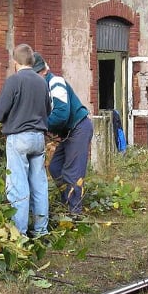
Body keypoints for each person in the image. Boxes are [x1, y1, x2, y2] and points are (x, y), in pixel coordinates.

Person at [0, 44, 52, 237]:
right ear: (32, 62)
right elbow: (48, 109)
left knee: (18, 186)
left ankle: (20, 233)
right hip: (38, 138)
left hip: (19, 138)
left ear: (15, 63)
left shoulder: (14, 81)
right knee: (39, 184)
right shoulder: (42, 82)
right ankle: (41, 230)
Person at [33, 53, 93, 214]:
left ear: (42, 71)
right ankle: (67, 202)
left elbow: (61, 114)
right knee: (55, 167)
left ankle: (75, 213)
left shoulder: (55, 82)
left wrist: (41, 126)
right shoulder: (44, 87)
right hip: (68, 132)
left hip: (79, 128)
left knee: (72, 172)